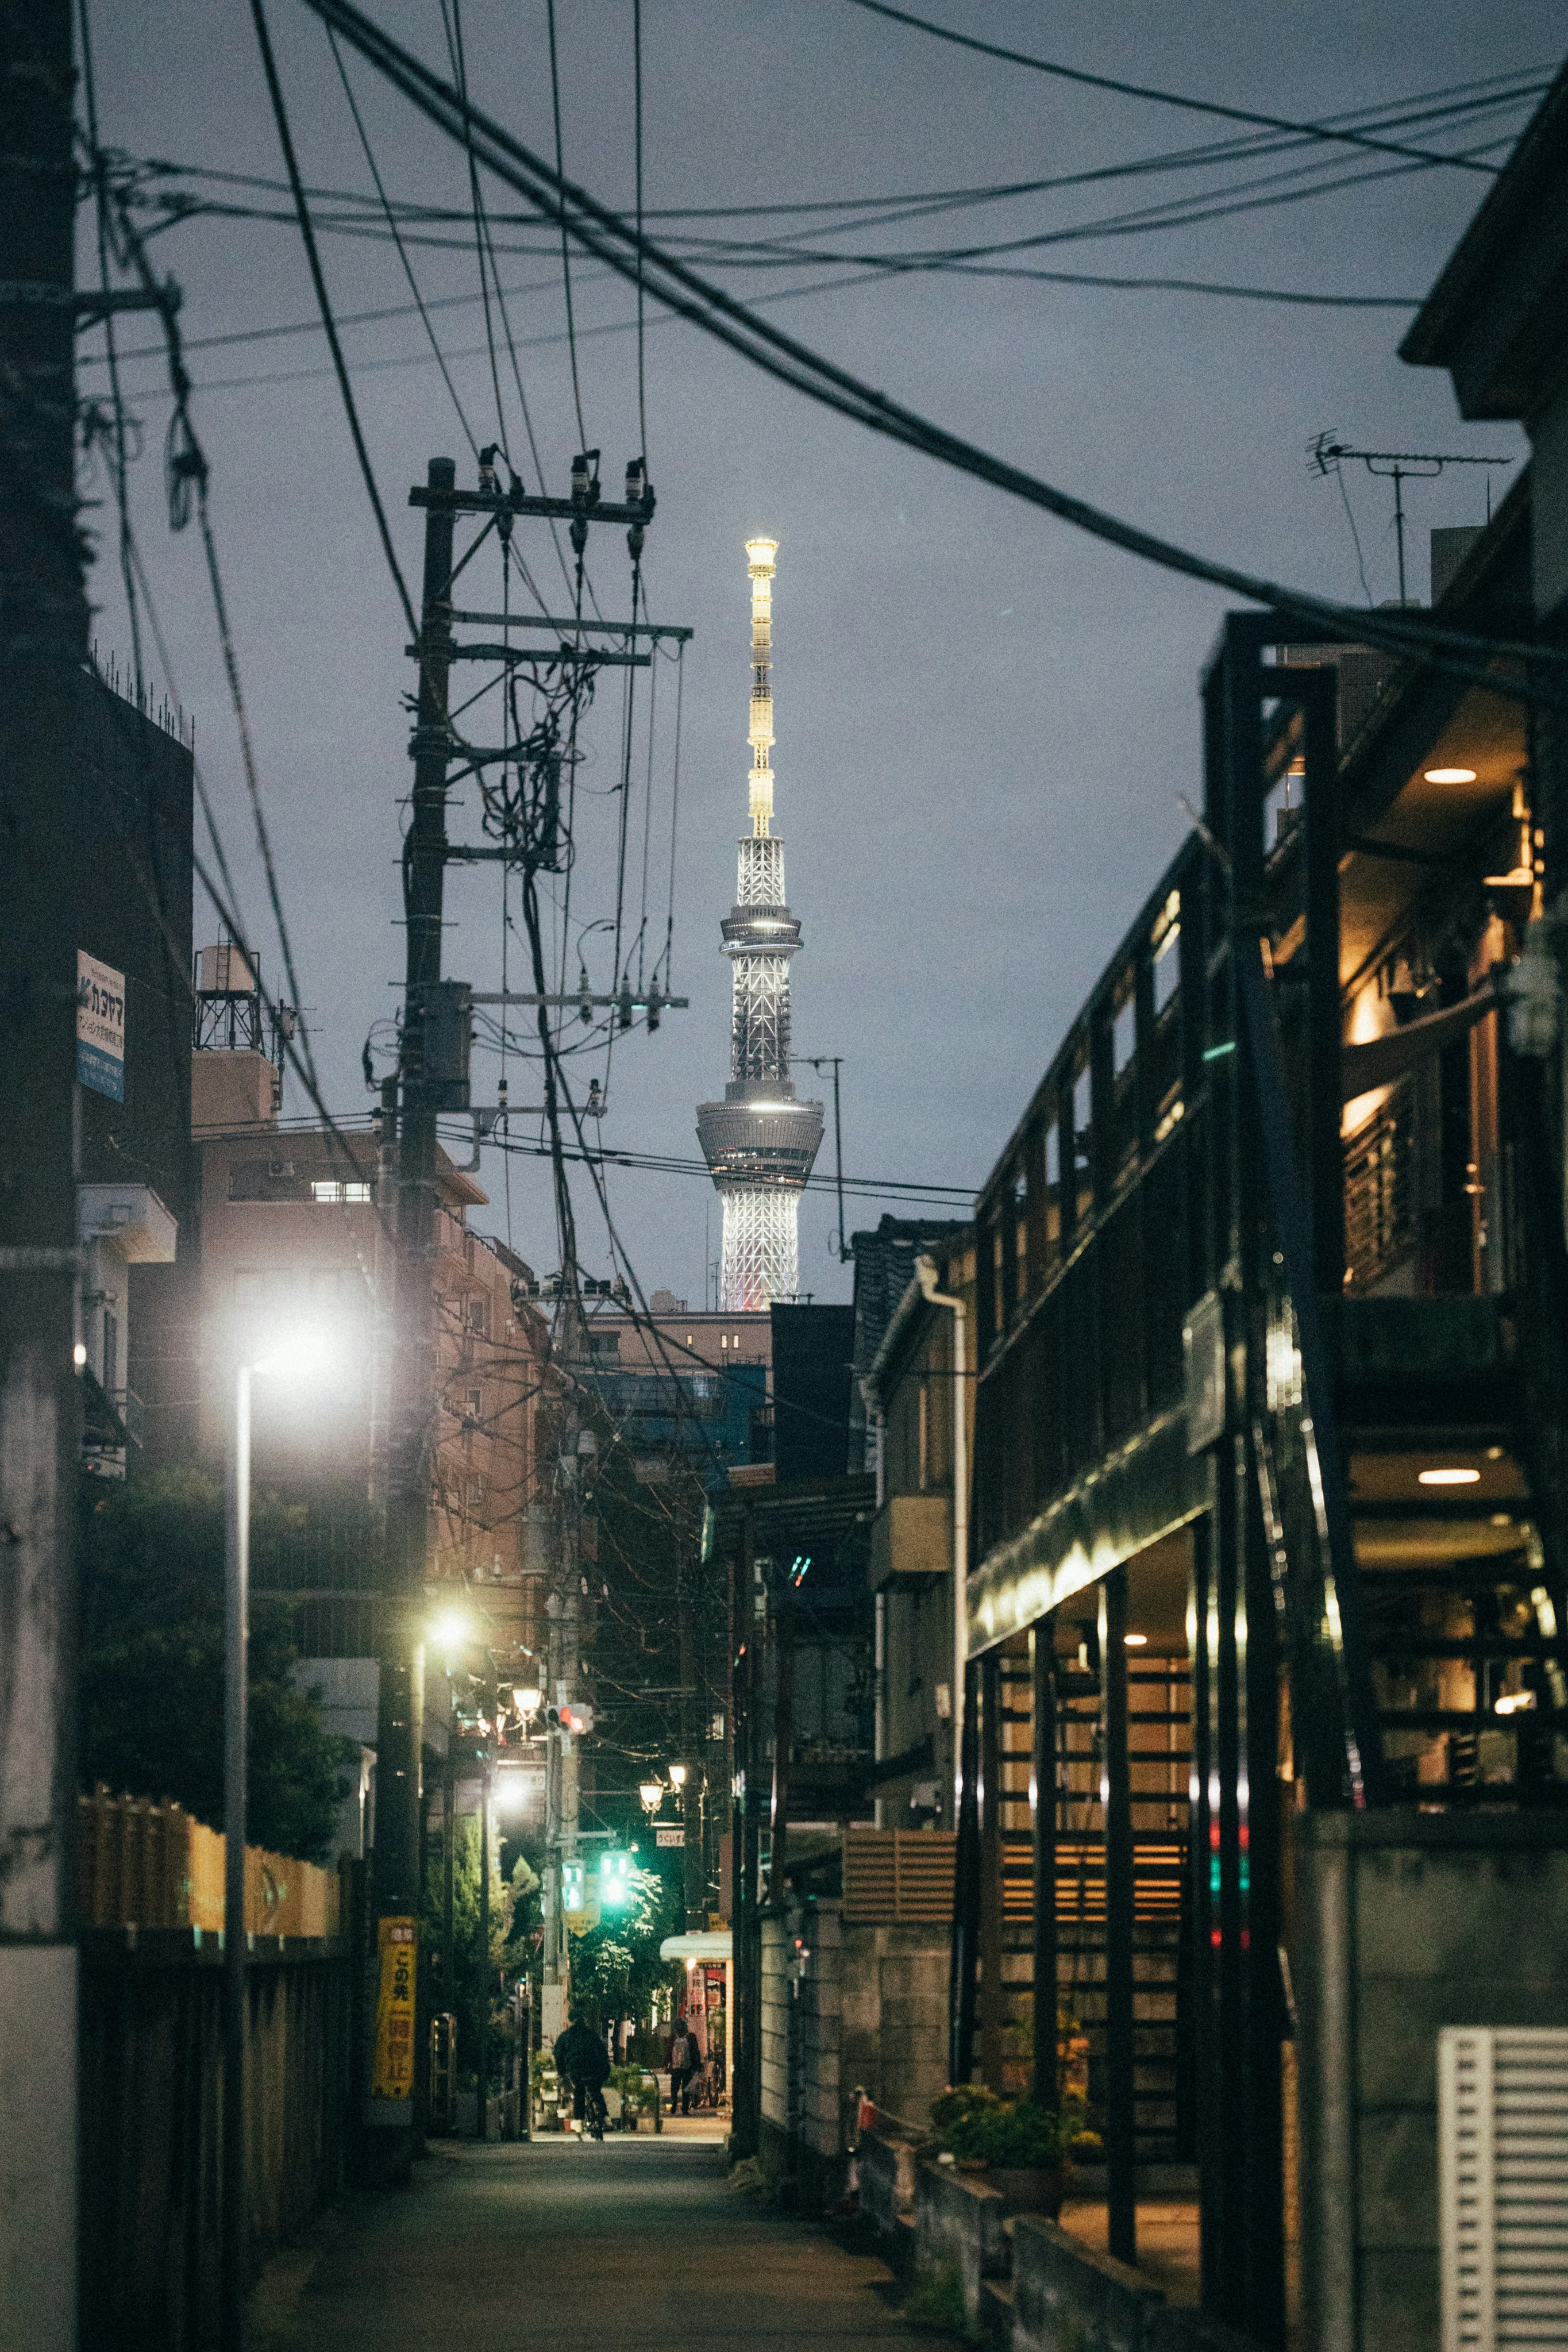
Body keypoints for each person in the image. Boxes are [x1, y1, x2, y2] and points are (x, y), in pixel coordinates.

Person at [553, 2008, 610, 2137]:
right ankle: (605, 2117)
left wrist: (562, 2072)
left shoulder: (566, 2036)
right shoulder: (592, 2034)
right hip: (595, 2069)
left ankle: (578, 2120)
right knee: (596, 2091)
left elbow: (558, 2054)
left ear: (570, 2021)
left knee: (579, 2091)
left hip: (576, 2070)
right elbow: (602, 2052)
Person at [668, 2016, 699, 2115]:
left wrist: (667, 2065)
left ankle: (674, 2102)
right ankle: (685, 2108)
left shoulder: (673, 2037)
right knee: (686, 2087)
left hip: (676, 2067)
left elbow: (668, 2052)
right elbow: (695, 2052)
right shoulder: (691, 2037)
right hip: (688, 2067)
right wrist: (697, 2065)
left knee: (675, 2086)